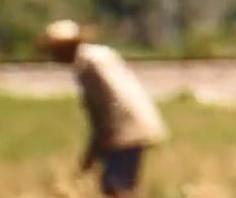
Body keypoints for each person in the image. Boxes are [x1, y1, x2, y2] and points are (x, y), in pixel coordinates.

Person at [38, 19, 168, 198]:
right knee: (118, 184)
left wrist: (91, 156)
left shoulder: (89, 65)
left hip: (126, 129)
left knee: (115, 186)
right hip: (134, 124)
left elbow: (107, 109)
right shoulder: (97, 55)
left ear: (64, 48)